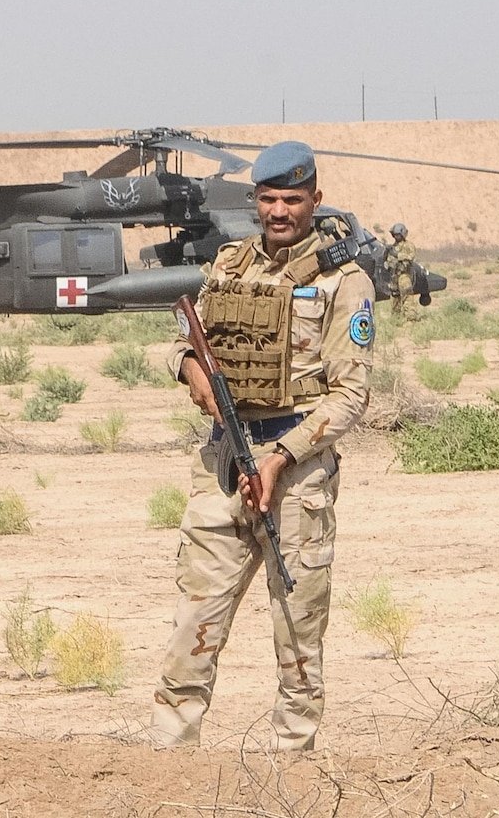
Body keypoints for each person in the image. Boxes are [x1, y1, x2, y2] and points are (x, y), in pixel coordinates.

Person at [150, 140, 374, 751]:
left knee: (297, 635)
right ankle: (169, 764)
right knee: (193, 624)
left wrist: (280, 458)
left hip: (295, 475)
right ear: (256, 200)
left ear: (315, 201)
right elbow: (181, 341)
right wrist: (191, 372)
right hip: (225, 462)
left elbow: (350, 395)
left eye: (293, 200)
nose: (280, 211)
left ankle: (292, 770)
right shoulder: (228, 268)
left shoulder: (342, 283)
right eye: (269, 198)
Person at [384, 223, 417, 317]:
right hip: (394, 276)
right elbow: (388, 260)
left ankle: (410, 317)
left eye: (398, 234)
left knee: (407, 296)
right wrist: (387, 254)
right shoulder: (393, 246)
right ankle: (396, 317)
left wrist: (397, 255)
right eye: (395, 234)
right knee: (395, 297)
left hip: (404, 275)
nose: (396, 236)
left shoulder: (408, 245)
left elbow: (410, 257)